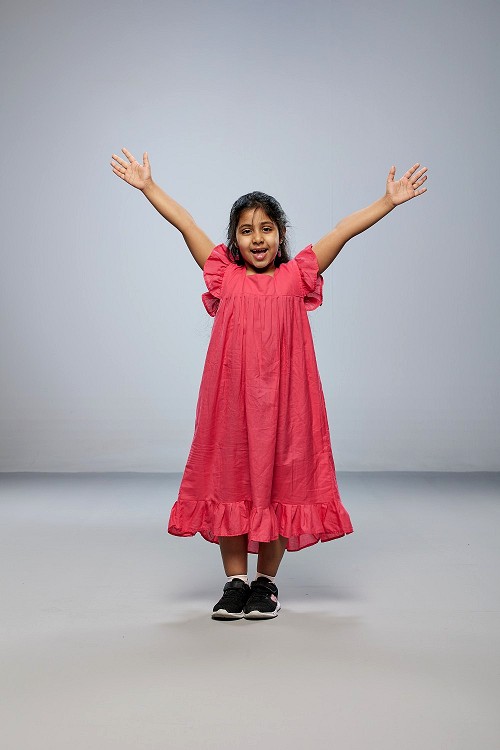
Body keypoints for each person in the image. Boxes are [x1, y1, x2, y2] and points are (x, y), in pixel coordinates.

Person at [110, 147, 428, 621]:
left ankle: (265, 584)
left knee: (281, 483)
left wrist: (387, 202)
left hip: (286, 405)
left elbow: (342, 230)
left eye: (266, 229)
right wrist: (148, 187)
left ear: (280, 236)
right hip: (231, 405)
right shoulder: (224, 275)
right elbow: (186, 224)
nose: (257, 238)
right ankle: (235, 582)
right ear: (234, 241)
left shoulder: (298, 275)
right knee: (231, 480)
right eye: (246, 230)